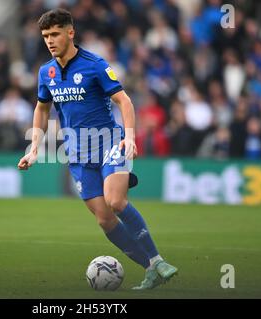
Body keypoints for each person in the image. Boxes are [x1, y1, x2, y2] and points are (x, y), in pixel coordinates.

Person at [17, 8, 177, 290]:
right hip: (77, 154)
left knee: (116, 202)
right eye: (45, 36)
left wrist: (130, 137)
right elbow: (42, 109)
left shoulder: (95, 65)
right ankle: (151, 268)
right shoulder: (46, 72)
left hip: (110, 143)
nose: (50, 41)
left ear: (70, 32)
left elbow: (124, 101)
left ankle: (157, 258)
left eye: (55, 34)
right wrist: (34, 148)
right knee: (104, 220)